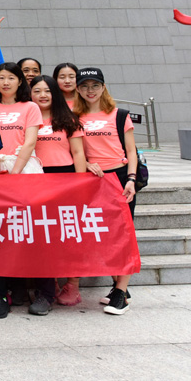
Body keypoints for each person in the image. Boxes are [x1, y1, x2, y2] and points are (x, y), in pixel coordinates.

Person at [0, 62, 42, 320]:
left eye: (11, 78)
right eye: (1, 78)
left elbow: (30, 142)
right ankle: (0, 293)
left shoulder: (30, 107)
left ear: (20, 81)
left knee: (26, 231)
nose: (5, 82)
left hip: (24, 170)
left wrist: (14, 173)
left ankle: (30, 288)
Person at [74, 67, 137, 316]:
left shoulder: (119, 114)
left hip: (120, 178)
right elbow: (76, 150)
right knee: (106, 236)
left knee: (124, 235)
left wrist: (131, 179)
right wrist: (88, 163)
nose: (90, 90)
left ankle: (121, 293)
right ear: (78, 89)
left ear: (103, 87)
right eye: (85, 86)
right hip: (95, 180)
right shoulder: (75, 117)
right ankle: (118, 288)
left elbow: (131, 151)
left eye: (95, 85)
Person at [31, 74, 90, 310]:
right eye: (37, 91)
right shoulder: (28, 117)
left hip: (65, 178)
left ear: (55, 93)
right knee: (44, 235)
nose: (42, 95)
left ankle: (72, 284)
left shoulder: (68, 119)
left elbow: (78, 153)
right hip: (36, 179)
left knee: (68, 234)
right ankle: (51, 283)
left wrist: (80, 184)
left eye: (47, 90)